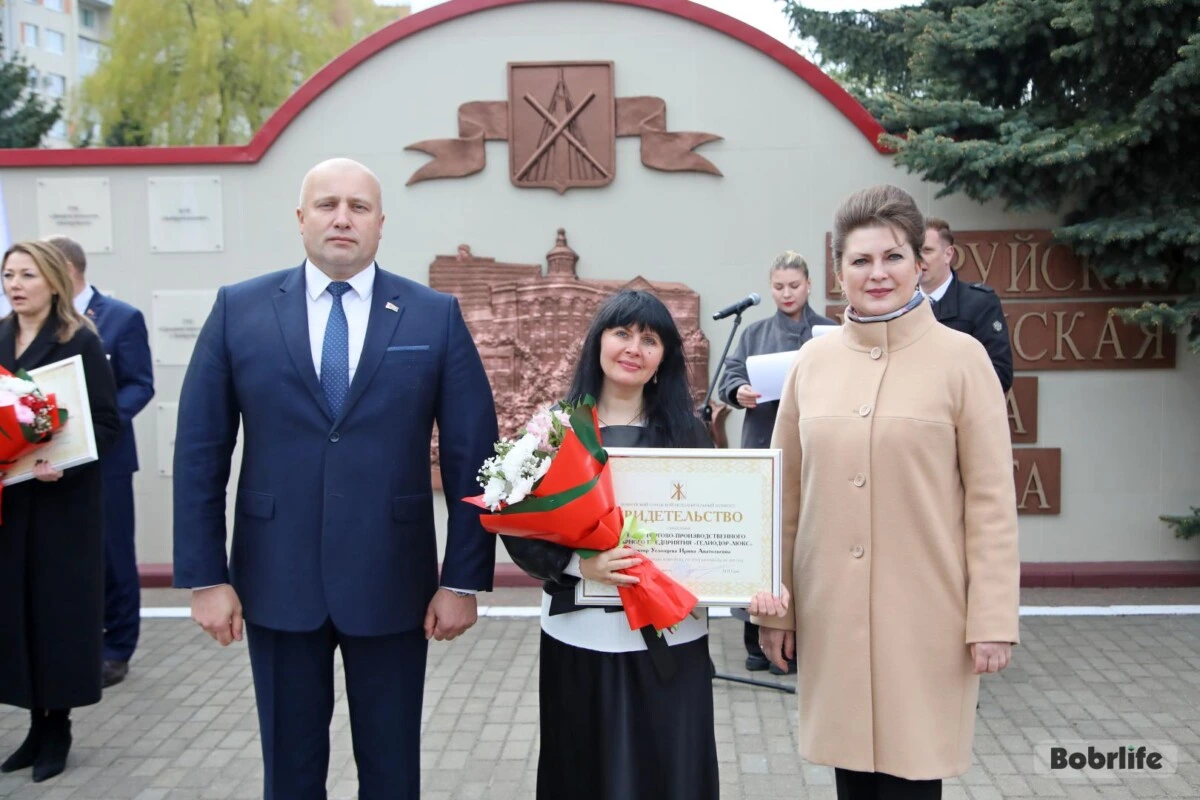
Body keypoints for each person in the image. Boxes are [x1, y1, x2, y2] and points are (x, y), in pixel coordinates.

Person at [171, 158, 499, 800]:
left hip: (393, 582)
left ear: (381, 223)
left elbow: (474, 457)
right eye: (327, 205)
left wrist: (462, 580)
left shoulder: (433, 316)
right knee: (289, 775)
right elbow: (201, 452)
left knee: (392, 772)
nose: (342, 218)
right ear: (301, 219)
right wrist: (206, 578)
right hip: (276, 579)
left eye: (358, 206)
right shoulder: (239, 310)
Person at [751, 185, 1019, 800]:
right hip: (831, 618)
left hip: (927, 620)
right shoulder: (812, 365)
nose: (878, 273)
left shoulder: (963, 360)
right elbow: (784, 498)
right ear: (839, 273)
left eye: (893, 256)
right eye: (861, 260)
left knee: (913, 780)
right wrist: (776, 610)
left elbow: (990, 504)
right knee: (851, 780)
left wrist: (993, 618)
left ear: (919, 263)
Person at [502, 290, 719, 800]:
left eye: (650, 339)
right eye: (622, 333)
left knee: (669, 772)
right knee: (585, 772)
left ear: (664, 357)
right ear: (597, 342)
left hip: (672, 636)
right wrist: (578, 565)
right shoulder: (555, 429)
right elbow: (516, 526)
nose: (634, 348)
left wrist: (744, 582)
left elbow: (719, 526)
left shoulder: (688, 433)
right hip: (581, 637)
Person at [0, 241, 120, 783]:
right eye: (9, 275)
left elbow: (106, 424)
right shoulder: (0, 338)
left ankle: (58, 728)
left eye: (27, 275)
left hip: (61, 507)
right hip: (11, 505)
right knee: (17, 613)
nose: (16, 285)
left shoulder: (80, 341)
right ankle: (32, 725)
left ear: (52, 281)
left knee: (56, 615)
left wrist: (62, 467)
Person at [46, 235, 155, 689]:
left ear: (68, 270)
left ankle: (117, 647)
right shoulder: (41, 322)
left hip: (105, 460)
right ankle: (76, 643)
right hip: (50, 463)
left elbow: (139, 384)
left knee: (113, 555)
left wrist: (93, 427)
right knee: (63, 557)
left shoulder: (120, 317)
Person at [718, 251, 833, 674]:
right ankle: (755, 639)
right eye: (779, 286)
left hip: (816, 452)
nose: (787, 293)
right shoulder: (753, 333)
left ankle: (803, 639)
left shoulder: (830, 333)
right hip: (764, 447)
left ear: (809, 285)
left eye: (794, 285)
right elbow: (730, 376)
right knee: (761, 544)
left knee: (806, 545)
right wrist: (739, 391)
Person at [919, 218, 1013, 393]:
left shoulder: (980, 303)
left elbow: (1000, 375)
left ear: (948, 254)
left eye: (927, 250)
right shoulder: (900, 304)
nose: (919, 259)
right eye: (914, 251)